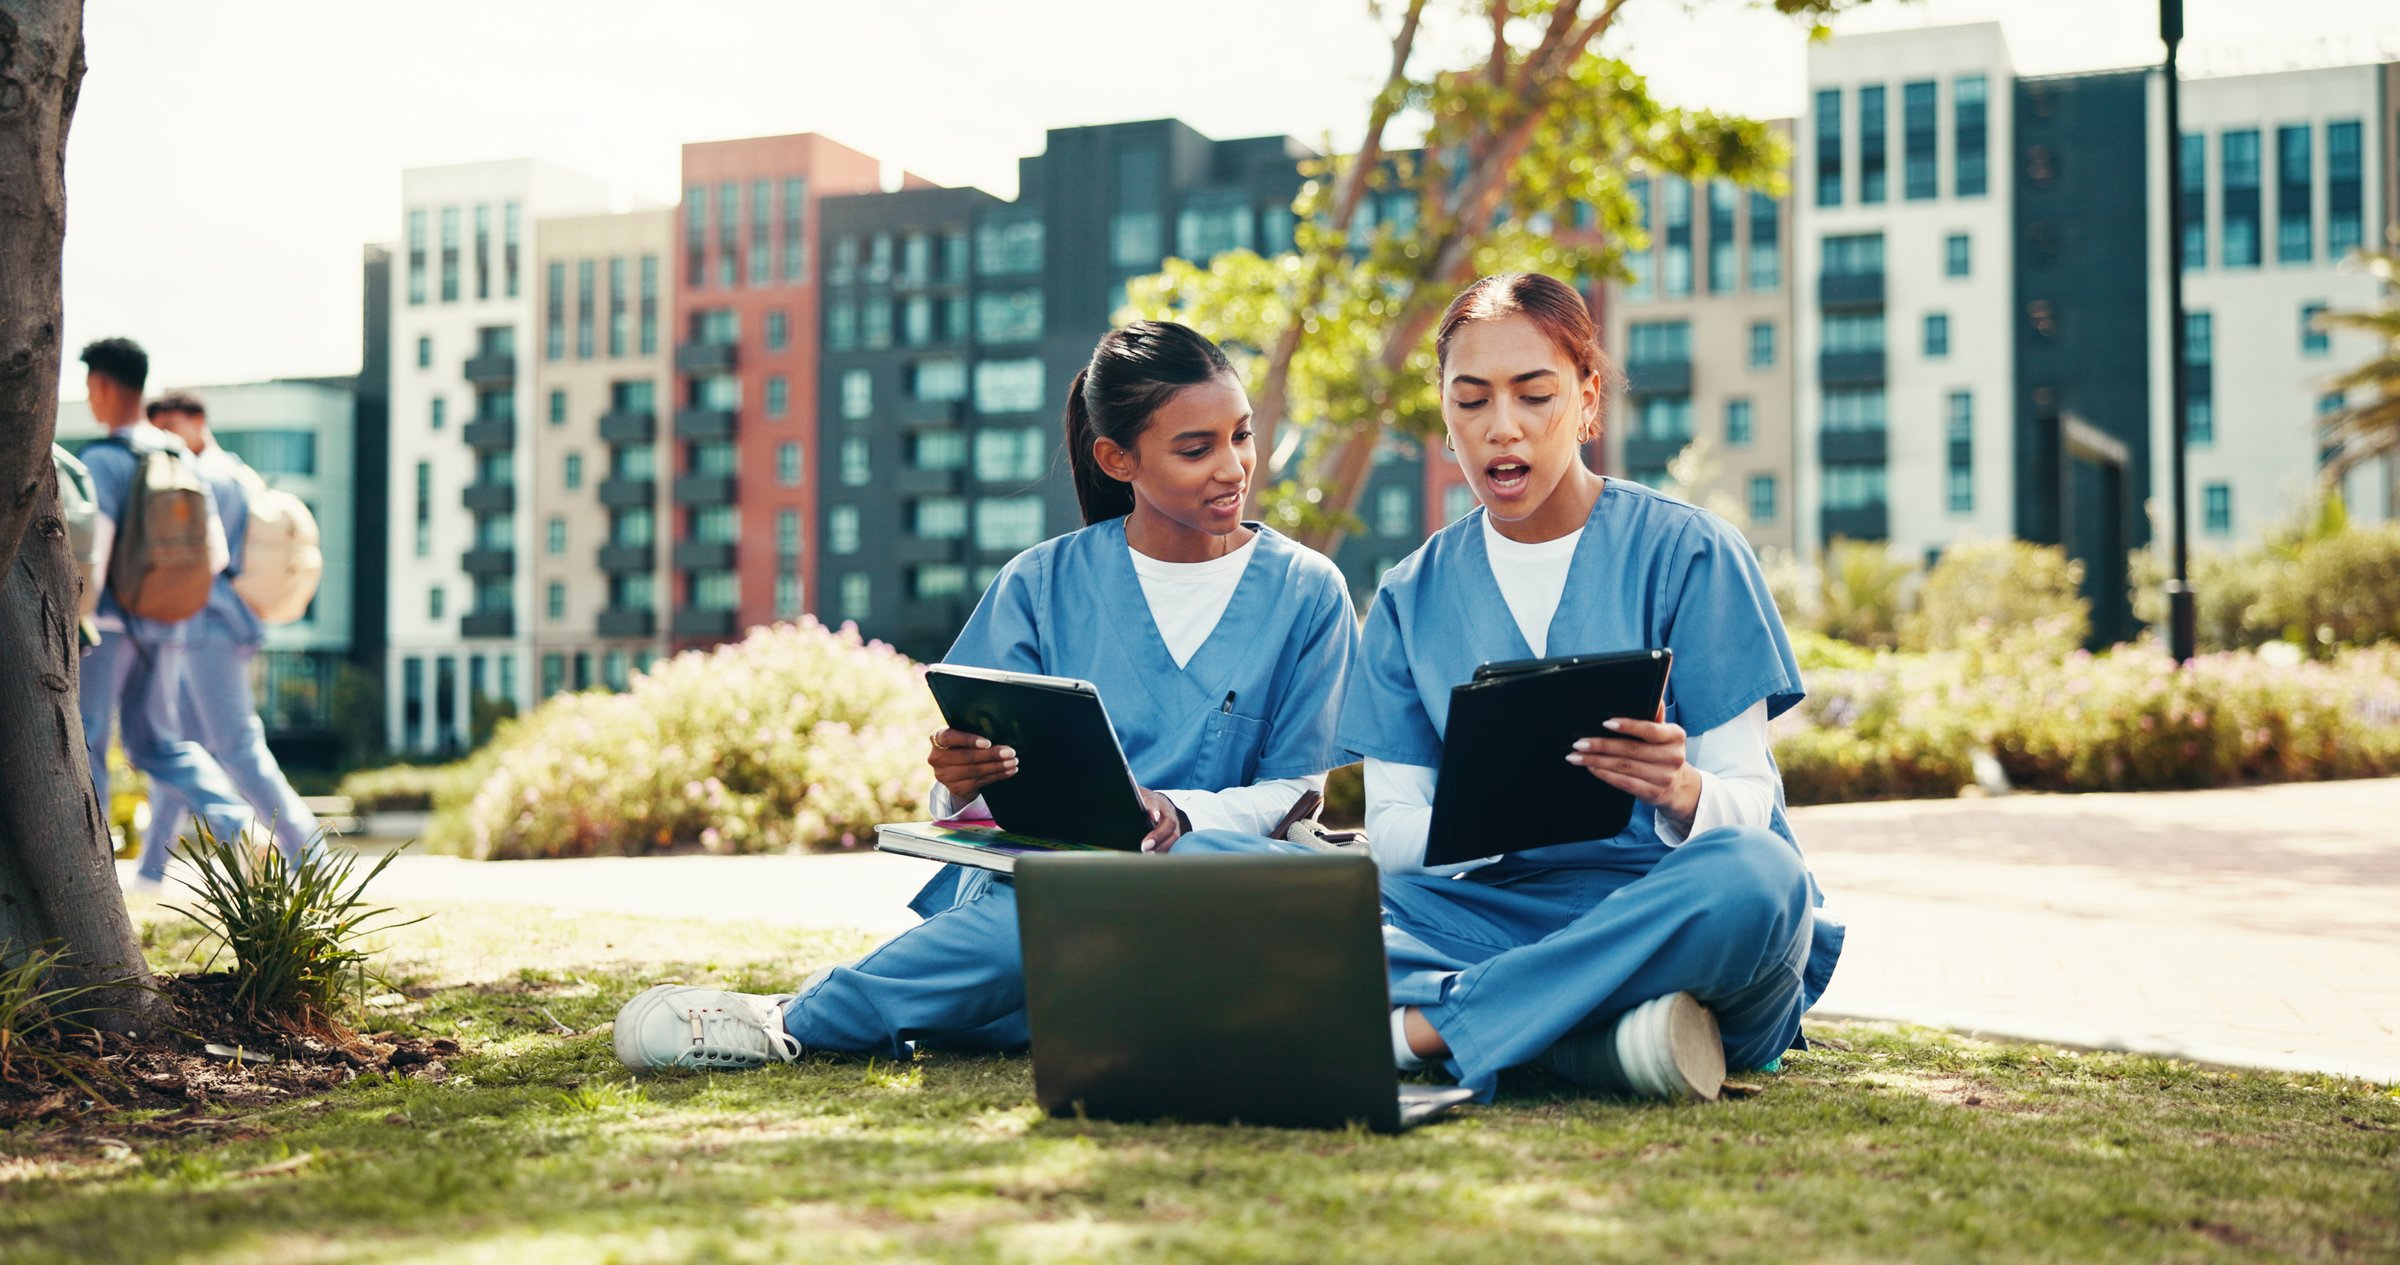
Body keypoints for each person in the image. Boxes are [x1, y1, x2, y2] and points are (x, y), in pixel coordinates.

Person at [612, 320, 1360, 1071]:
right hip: (1038, 893)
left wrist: (1182, 812)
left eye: (1242, 436)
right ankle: (804, 1021)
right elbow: (976, 799)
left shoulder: (1306, 592)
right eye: (1197, 449)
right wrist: (961, 778)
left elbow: (1294, 790)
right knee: (1052, 912)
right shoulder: (1040, 585)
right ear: (1116, 458)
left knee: (1124, 907)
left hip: (1207, 886)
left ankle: (794, 1016)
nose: (1233, 467)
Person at [1340, 274, 1842, 1102]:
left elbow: (1751, 800)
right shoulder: (1408, 596)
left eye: (1534, 395)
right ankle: (1601, 1038)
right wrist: (1489, 816)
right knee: (1300, 887)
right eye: (1470, 402)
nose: (1502, 428)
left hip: (1669, 909)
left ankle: (1435, 1028)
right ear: (1444, 415)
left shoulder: (1691, 554)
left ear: (1586, 398)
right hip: (1501, 916)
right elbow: (1391, 830)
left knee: (1759, 877)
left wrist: (1681, 791)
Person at [73, 338, 255, 890]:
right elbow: (216, 556)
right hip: (171, 623)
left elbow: (94, 553)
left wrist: (78, 619)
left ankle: (91, 871)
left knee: (89, 741)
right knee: (159, 744)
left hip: (108, 625)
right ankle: (234, 819)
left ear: (102, 386)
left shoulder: (103, 461)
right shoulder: (178, 457)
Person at [141, 392, 323, 871]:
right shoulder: (240, 473)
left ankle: (310, 853)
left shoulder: (205, 477)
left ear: (198, 423)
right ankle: (150, 870)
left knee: (237, 746)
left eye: (171, 427)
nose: (164, 439)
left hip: (208, 623)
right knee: (179, 747)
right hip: (219, 623)